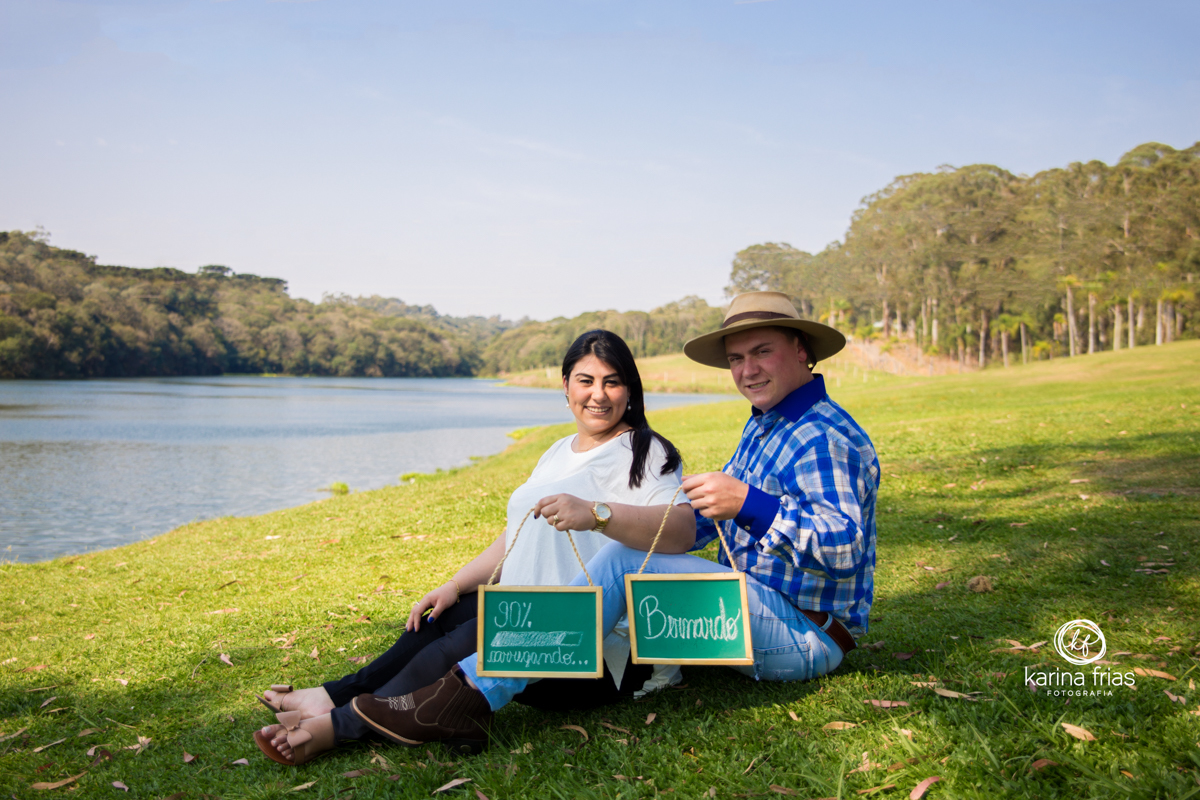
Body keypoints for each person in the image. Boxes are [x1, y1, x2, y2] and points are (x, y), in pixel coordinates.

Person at [348, 291, 879, 753]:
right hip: (741, 614)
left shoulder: (821, 435)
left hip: (807, 634)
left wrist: (750, 504)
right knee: (619, 556)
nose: (747, 370)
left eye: (763, 351)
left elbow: (844, 550)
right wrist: (669, 515)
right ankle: (443, 695)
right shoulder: (767, 424)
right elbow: (693, 529)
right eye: (737, 358)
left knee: (623, 563)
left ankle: (468, 696)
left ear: (802, 351)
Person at [254, 329, 696, 766]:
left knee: (460, 643)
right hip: (527, 612)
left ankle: (333, 726)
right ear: (565, 386)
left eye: (612, 381)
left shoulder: (644, 450)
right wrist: (455, 584)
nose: (598, 395)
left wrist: (598, 512)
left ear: (630, 390)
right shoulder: (559, 450)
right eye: (586, 380)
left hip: (588, 655)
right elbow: (518, 536)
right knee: (437, 620)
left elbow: (681, 531)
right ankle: (333, 695)